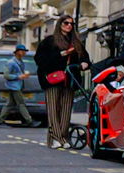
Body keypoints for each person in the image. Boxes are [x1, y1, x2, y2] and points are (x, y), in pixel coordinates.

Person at [34, 16, 86, 149]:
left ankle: (62, 138)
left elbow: (84, 57)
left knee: (66, 111)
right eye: (66, 23)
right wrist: (59, 55)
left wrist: (84, 63)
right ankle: (56, 138)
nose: (69, 26)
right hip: (52, 80)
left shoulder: (76, 42)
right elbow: (40, 59)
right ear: (60, 24)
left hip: (69, 81)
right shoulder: (49, 41)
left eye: (71, 24)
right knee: (53, 109)